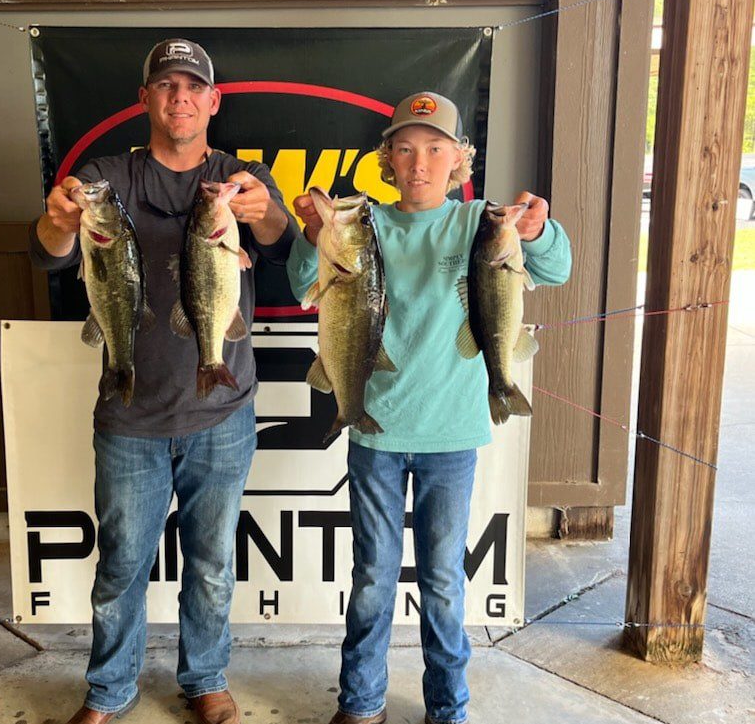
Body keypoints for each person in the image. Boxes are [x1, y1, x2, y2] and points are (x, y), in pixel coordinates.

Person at [28, 38, 296, 724]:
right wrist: (59, 222)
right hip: (130, 415)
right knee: (121, 564)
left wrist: (264, 211)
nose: (181, 97)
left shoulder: (240, 177)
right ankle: (108, 689)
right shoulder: (105, 177)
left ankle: (205, 678)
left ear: (213, 101)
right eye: (167, 85)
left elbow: (282, 244)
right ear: (145, 98)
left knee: (211, 563)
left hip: (222, 412)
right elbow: (48, 254)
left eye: (193, 86)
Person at [286, 91, 572, 724]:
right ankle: (361, 703)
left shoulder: (478, 224)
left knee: (443, 581)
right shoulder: (364, 224)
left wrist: (538, 231)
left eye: (436, 149)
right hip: (375, 434)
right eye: (407, 149)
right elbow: (302, 280)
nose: (420, 162)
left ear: (458, 160)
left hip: (451, 435)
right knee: (373, 577)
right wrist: (312, 235)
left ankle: (448, 707)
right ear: (387, 159)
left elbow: (556, 269)